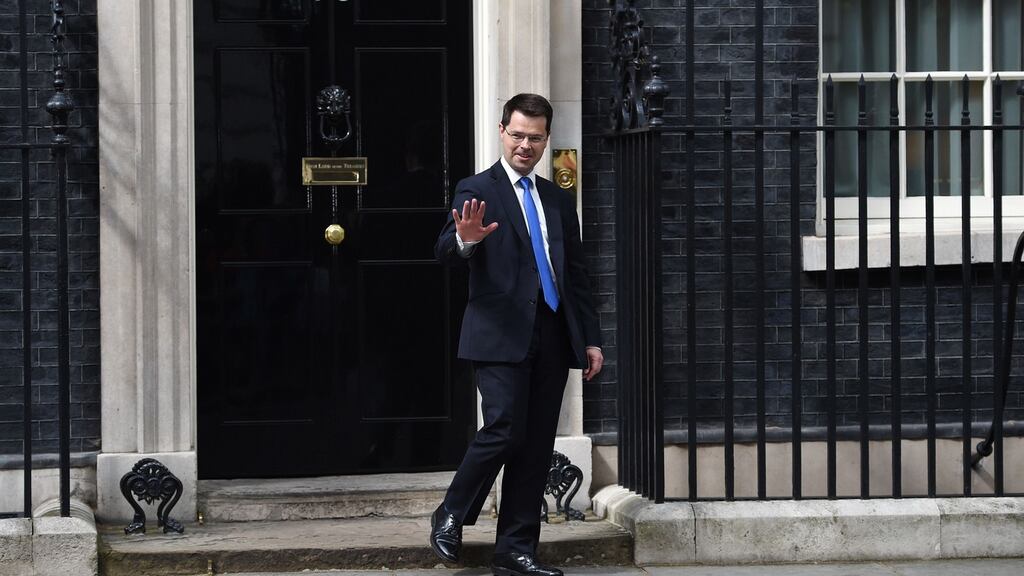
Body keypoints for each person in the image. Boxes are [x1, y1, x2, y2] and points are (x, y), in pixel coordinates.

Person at [431, 93, 604, 576]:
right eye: (518, 135)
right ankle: (451, 513)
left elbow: (577, 275)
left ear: (547, 140)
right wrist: (465, 239)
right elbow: (446, 249)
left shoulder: (556, 198)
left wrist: (590, 338)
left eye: (535, 137)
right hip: (499, 333)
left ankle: (515, 550)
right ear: (502, 131)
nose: (525, 145)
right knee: (505, 428)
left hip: (551, 332)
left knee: (534, 443)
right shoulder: (476, 187)